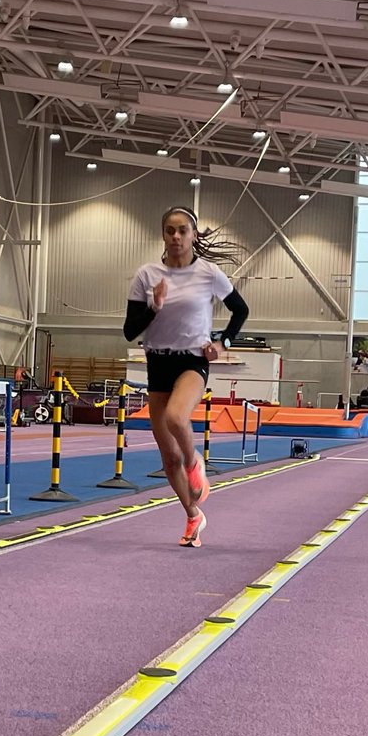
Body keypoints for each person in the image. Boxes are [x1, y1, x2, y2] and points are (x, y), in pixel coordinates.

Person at [124, 206, 248, 547]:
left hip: (193, 360)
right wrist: (155, 306)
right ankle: (194, 515)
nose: (176, 237)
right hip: (157, 362)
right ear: (163, 235)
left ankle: (196, 462)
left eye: (182, 230)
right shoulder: (146, 276)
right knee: (168, 456)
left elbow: (241, 310)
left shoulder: (208, 273)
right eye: (169, 230)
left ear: (193, 235)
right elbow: (128, 330)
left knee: (177, 417)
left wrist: (222, 341)